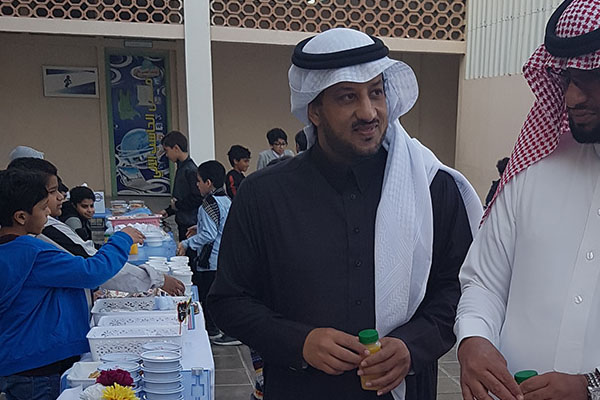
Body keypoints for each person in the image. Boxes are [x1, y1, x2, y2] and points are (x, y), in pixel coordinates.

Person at [208, 28, 482, 400]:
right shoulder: (264, 194)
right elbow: (229, 301)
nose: (368, 112)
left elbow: (459, 287)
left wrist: (412, 345)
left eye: (376, 92)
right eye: (348, 96)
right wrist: (300, 342)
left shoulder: (431, 187)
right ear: (314, 110)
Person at [455, 1, 600, 400]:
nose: (572, 97)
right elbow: (484, 281)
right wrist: (473, 338)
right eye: (567, 77)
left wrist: (591, 387)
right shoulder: (533, 168)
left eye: (591, 77)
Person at [0, 168, 144, 400]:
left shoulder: (7, 250)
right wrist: (122, 239)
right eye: (43, 208)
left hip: (14, 360)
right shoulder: (34, 253)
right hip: (38, 367)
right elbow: (92, 271)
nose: (49, 212)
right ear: (21, 217)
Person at [7, 157, 184, 297]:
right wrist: (123, 239)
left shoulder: (29, 241)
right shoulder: (37, 245)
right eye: (51, 193)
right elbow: (92, 269)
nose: (61, 197)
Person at [177, 160, 240, 346]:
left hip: (210, 259)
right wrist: (199, 227)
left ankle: (214, 331)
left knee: (208, 297)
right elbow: (222, 225)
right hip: (224, 257)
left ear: (208, 182)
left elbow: (210, 235)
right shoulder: (226, 200)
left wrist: (186, 243)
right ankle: (225, 330)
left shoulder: (208, 205)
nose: (197, 185)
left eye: (199, 181)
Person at [159, 130, 203, 243]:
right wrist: (168, 211)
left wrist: (177, 205)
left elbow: (197, 198)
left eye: (166, 150)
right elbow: (182, 196)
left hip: (190, 224)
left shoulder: (190, 170)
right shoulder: (182, 168)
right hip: (183, 221)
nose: (166, 155)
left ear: (176, 148)